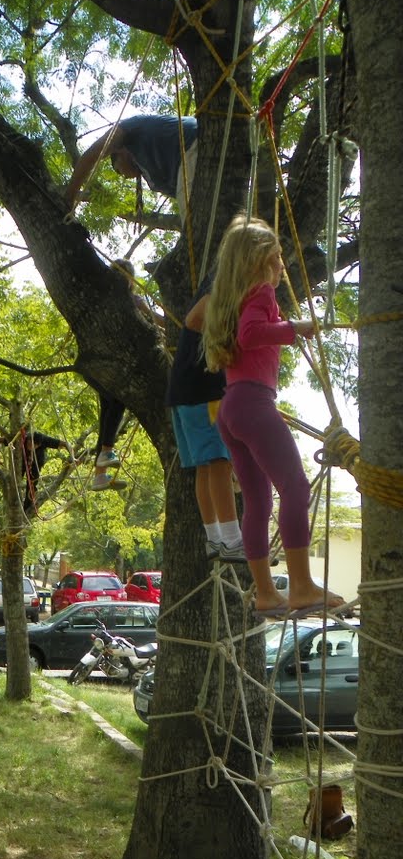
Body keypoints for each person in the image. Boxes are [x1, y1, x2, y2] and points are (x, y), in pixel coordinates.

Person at [202, 214, 343, 615]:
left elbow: (244, 335)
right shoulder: (262, 294)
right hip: (252, 403)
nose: (283, 265)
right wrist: (293, 327)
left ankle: (265, 592)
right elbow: (251, 335)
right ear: (260, 260)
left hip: (231, 408)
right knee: (295, 487)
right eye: (278, 257)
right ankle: (301, 586)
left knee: (258, 500)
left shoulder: (232, 300)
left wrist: (285, 327)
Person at [166, 284, 245, 561]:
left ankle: (214, 538)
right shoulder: (216, 299)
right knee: (219, 462)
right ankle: (232, 540)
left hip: (186, 395)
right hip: (203, 396)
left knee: (206, 466)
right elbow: (203, 318)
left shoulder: (215, 303)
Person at [65, 114, 198, 222]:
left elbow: (91, 156)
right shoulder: (150, 174)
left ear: (119, 152)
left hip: (190, 147)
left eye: (119, 171)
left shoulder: (131, 127)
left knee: (194, 227)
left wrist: (69, 198)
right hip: (189, 160)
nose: (125, 177)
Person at [92, 259, 152, 491]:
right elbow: (155, 320)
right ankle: (106, 451)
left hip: (98, 365)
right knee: (118, 400)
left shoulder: (104, 300)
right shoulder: (129, 301)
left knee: (108, 410)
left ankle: (99, 475)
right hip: (107, 365)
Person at [0, 428, 75, 513]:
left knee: (31, 488)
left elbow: (66, 444)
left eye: (35, 446)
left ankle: (26, 509)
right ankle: (14, 505)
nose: (31, 447)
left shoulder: (44, 440)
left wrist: (73, 458)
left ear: (39, 444)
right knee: (14, 483)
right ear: (28, 440)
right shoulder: (20, 438)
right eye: (29, 444)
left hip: (36, 465)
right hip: (21, 464)